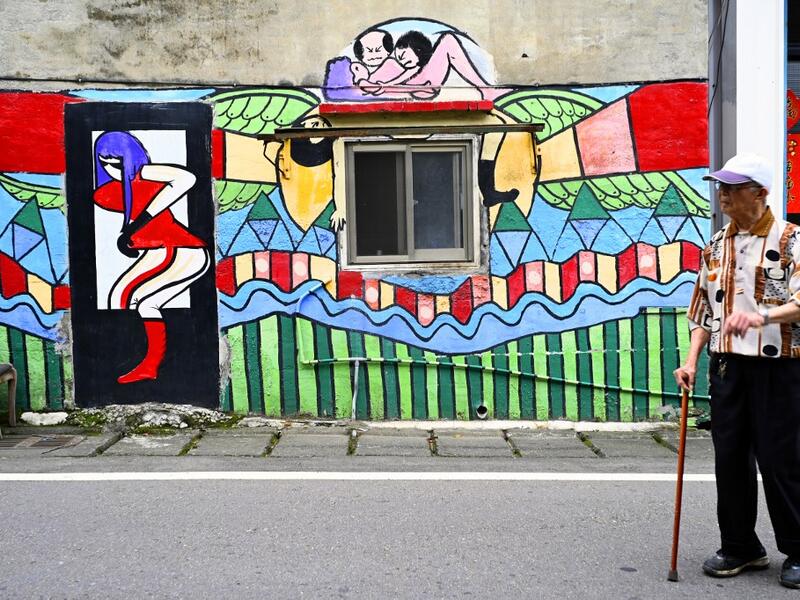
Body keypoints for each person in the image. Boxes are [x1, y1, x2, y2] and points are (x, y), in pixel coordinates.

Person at [673, 153, 800, 590]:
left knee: (781, 459)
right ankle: (740, 545)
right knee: (730, 459)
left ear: (760, 193)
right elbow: (702, 308)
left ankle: (798, 549)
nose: (723, 194)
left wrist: (762, 317)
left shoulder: (791, 240)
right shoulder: (714, 245)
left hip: (779, 367)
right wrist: (690, 360)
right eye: (721, 187)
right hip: (727, 366)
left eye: (733, 187)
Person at [93, 131, 210, 384]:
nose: (112, 168)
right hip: (159, 251)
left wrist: (142, 173)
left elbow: (186, 178)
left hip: (183, 250)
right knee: (121, 297)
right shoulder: (110, 192)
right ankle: (132, 358)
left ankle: (151, 365)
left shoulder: (143, 176)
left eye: (118, 162)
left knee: (146, 303)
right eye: (104, 163)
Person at [357, 30, 498, 101]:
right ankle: (485, 88)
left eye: (410, 58)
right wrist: (370, 83)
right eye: (402, 51)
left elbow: (409, 73)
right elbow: (370, 86)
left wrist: (385, 85)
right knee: (448, 40)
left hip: (424, 83)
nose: (403, 57)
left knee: (448, 39)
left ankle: (484, 88)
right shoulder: (390, 63)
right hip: (419, 86)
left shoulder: (415, 68)